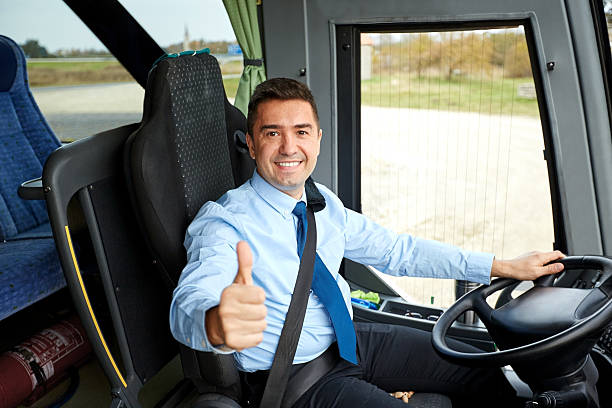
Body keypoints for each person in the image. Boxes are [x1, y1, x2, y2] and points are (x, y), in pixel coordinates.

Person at [169, 78, 565, 407]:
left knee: (477, 367)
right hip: (294, 379)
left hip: (349, 343)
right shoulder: (225, 222)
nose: (289, 147)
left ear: (318, 140)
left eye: (301, 132)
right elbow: (189, 300)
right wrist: (214, 322)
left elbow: (398, 250)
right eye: (272, 133)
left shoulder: (321, 202)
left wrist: (502, 266)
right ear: (252, 145)